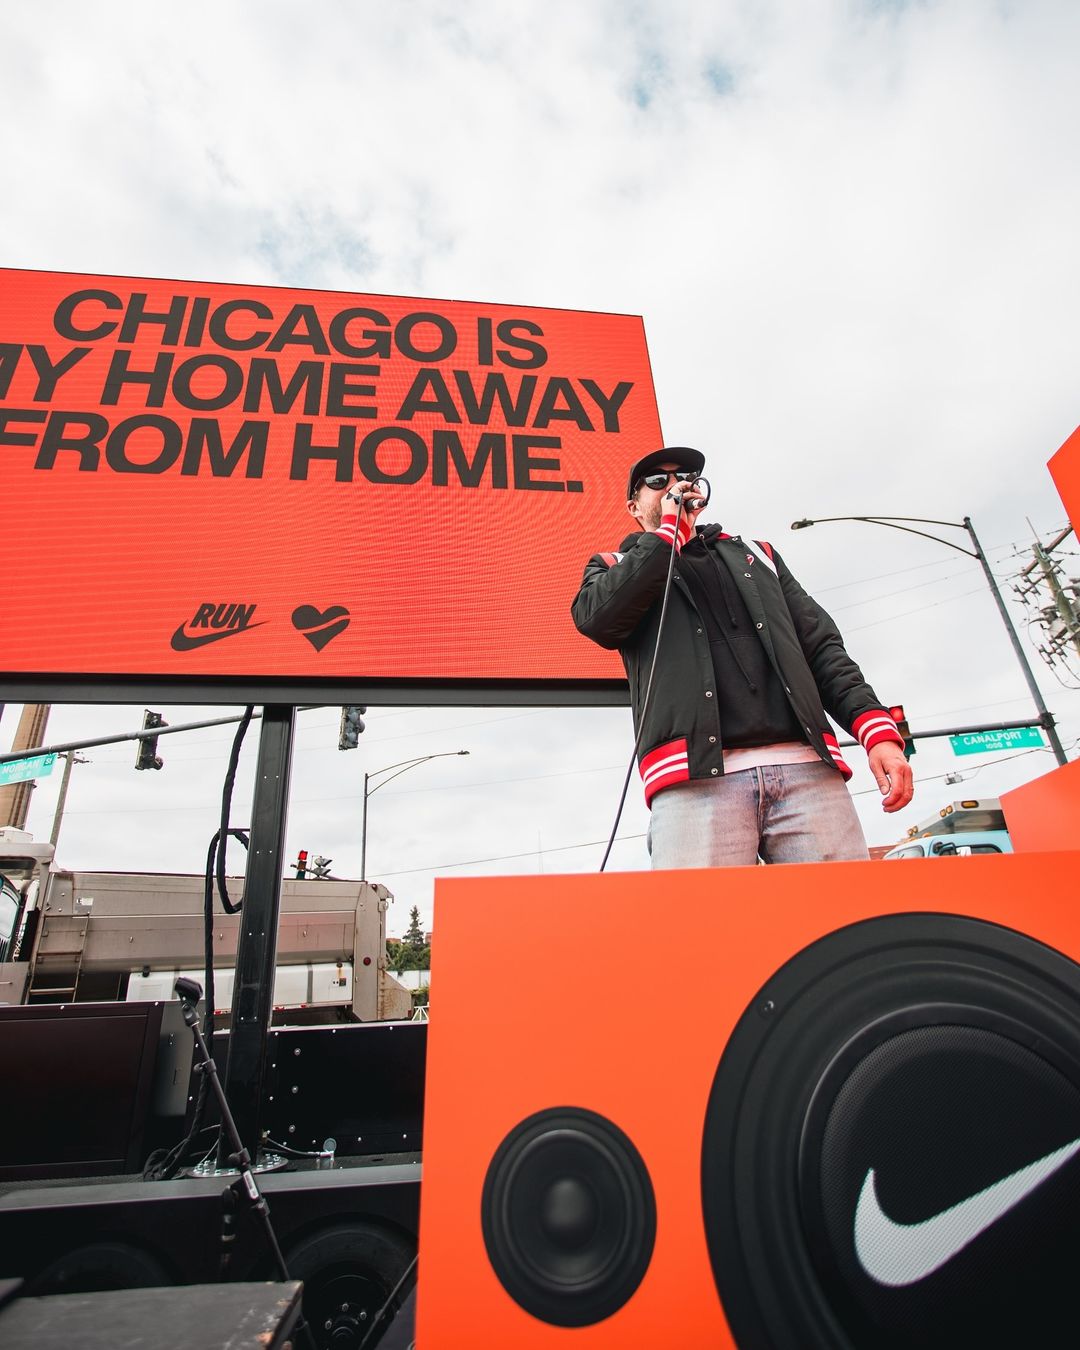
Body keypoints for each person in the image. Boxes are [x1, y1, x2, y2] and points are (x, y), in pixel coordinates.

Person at [571, 446, 914, 868]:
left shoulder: (759, 555)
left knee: (842, 908)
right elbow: (597, 620)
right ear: (634, 507)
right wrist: (668, 533)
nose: (675, 485)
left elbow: (822, 648)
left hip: (807, 771)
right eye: (658, 481)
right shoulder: (615, 565)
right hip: (693, 782)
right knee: (703, 912)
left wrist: (878, 734)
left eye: (684, 476)